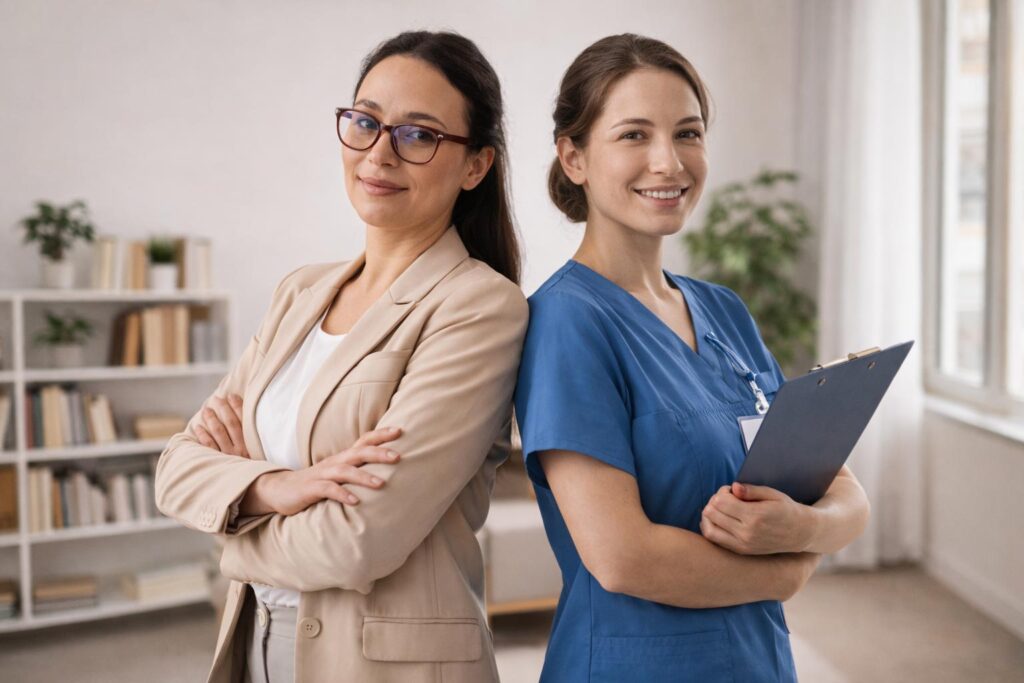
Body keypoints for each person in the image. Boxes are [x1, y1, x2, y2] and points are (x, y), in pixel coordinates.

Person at [154, 30, 527, 683]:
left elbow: (358, 543)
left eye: (419, 134)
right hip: (254, 641)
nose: (379, 152)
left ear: (475, 165)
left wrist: (228, 523)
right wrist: (274, 485)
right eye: (365, 121)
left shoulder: (478, 307)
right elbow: (176, 466)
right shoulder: (300, 291)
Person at [513, 33, 871, 682]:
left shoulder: (724, 310)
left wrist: (799, 524)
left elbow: (846, 493)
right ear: (574, 158)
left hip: (757, 662)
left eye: (688, 133)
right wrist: (790, 566)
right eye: (633, 135)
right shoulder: (567, 323)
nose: (669, 162)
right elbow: (623, 557)